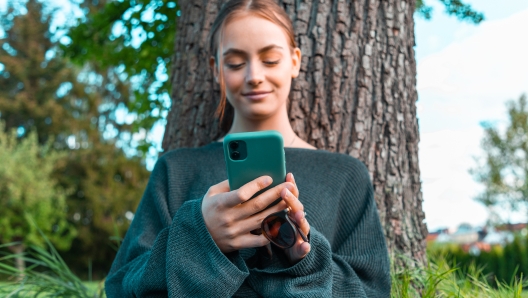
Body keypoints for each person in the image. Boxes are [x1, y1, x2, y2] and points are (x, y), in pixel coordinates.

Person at [105, 0, 391, 297]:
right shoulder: (175, 170)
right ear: (216, 69)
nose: (254, 75)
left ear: (294, 62)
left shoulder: (345, 175)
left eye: (270, 60)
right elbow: (121, 286)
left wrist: (303, 260)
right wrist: (202, 238)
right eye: (236, 63)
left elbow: (372, 290)